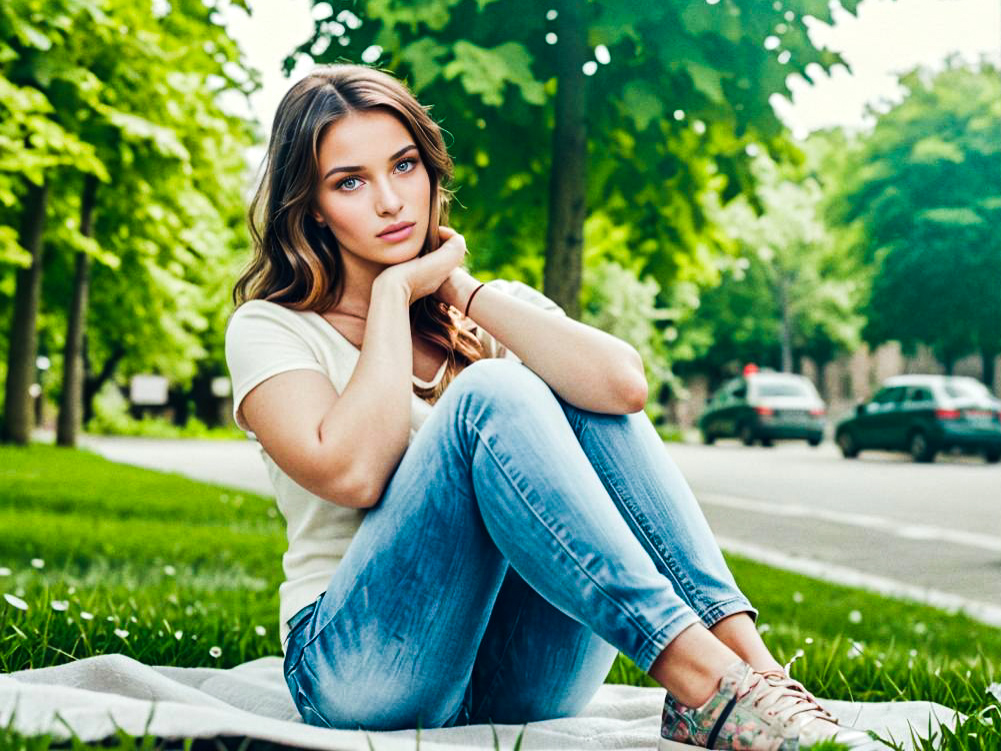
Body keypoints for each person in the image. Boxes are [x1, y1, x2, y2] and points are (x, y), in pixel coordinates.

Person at [224, 63, 882, 750]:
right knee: (494, 391)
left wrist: (462, 292)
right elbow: (355, 474)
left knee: (571, 383)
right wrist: (391, 296)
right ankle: (703, 678)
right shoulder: (273, 327)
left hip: (522, 674)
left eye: (405, 165)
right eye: (350, 181)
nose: (390, 200)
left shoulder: (490, 313)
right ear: (312, 206)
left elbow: (621, 389)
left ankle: (754, 675)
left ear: (430, 172)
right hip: (360, 668)